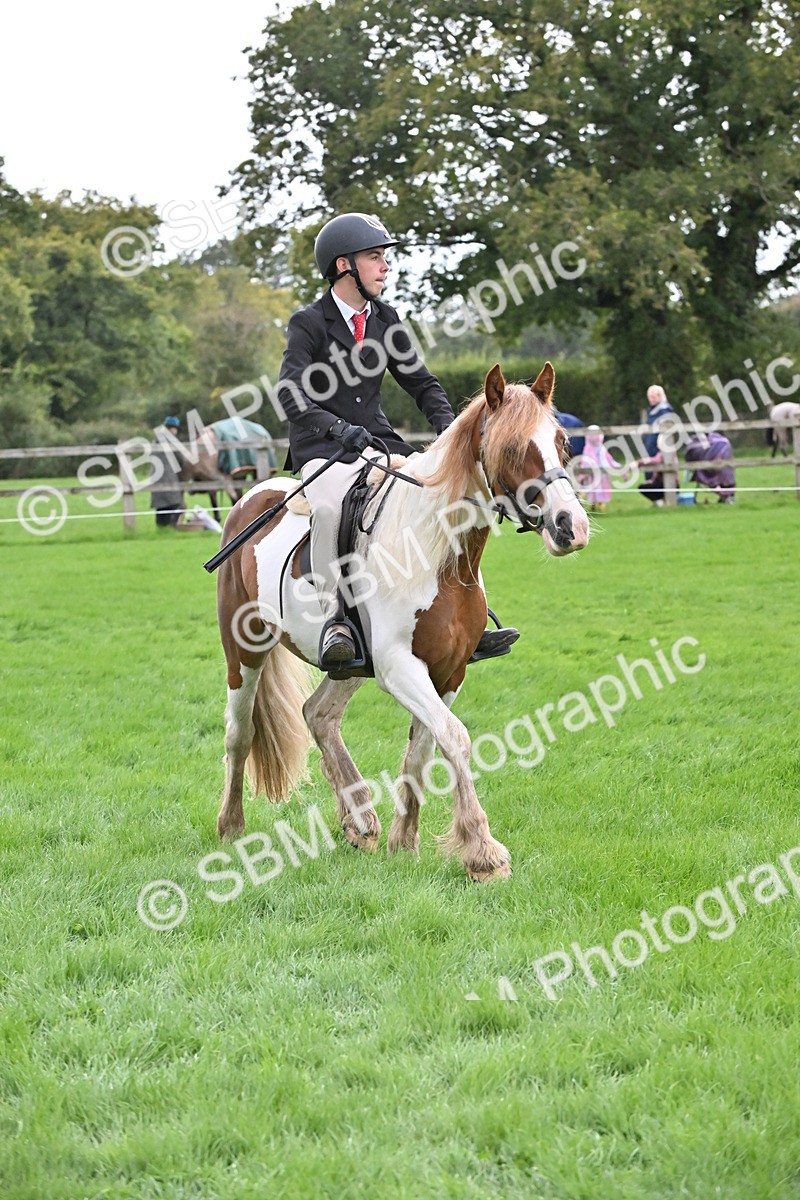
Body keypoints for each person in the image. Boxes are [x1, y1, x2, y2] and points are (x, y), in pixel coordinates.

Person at [275, 211, 519, 671]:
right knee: (330, 510)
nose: (385, 267)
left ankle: (471, 614)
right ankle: (335, 621)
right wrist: (334, 428)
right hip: (324, 448)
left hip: (377, 442)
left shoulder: (386, 319)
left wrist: (452, 434)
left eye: (385, 258)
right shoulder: (308, 323)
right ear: (344, 265)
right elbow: (290, 394)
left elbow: (422, 384)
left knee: (446, 498)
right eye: (375, 258)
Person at [150, 415, 184, 527]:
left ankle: (161, 528)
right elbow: (181, 457)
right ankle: (172, 527)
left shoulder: (156, 439)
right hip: (169, 475)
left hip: (156, 476)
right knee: (174, 503)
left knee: (161, 505)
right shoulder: (171, 439)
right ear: (173, 428)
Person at [577, 425, 621, 511]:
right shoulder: (588, 448)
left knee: (601, 489)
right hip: (592, 473)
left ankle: (601, 505)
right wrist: (584, 470)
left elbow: (608, 458)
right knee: (592, 488)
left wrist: (614, 464)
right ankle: (593, 505)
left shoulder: (601, 448)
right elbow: (585, 460)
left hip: (602, 473)